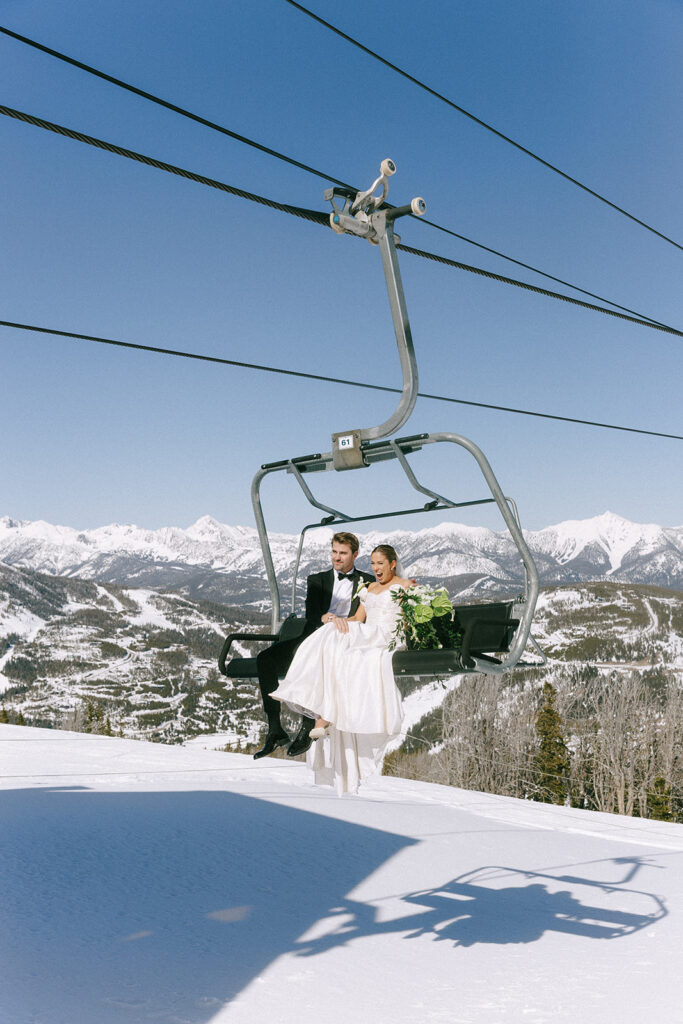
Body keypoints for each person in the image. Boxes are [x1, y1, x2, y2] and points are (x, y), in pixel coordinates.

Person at [271, 544, 411, 795]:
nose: (376, 569)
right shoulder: (369, 588)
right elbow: (357, 619)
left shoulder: (407, 586)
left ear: (393, 563)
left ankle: (323, 713)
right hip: (368, 631)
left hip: (387, 636)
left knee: (348, 651)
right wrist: (337, 621)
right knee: (331, 635)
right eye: (373, 564)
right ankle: (319, 706)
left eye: (381, 563)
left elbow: (412, 620)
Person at [252, 532, 374, 759]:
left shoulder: (367, 581)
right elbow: (312, 613)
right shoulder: (317, 580)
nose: (337, 557)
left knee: (317, 662)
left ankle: (308, 723)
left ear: (355, 554)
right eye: (334, 552)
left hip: (345, 637)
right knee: (265, 659)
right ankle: (274, 727)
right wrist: (323, 618)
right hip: (316, 634)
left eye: (343, 553)